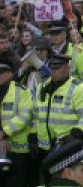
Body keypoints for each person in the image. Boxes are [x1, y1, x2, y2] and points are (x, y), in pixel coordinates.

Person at [32, 53, 83, 154]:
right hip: (44, 146)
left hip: (68, 144)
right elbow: (36, 113)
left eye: (57, 68)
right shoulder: (43, 86)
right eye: (52, 68)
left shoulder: (79, 87)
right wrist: (33, 135)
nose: (53, 71)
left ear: (67, 68)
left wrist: (77, 132)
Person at [0, 56, 33, 187]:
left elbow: (24, 116)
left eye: (2, 73)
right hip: (1, 146)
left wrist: (4, 133)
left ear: (9, 74)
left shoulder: (22, 91)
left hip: (19, 149)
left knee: (17, 181)